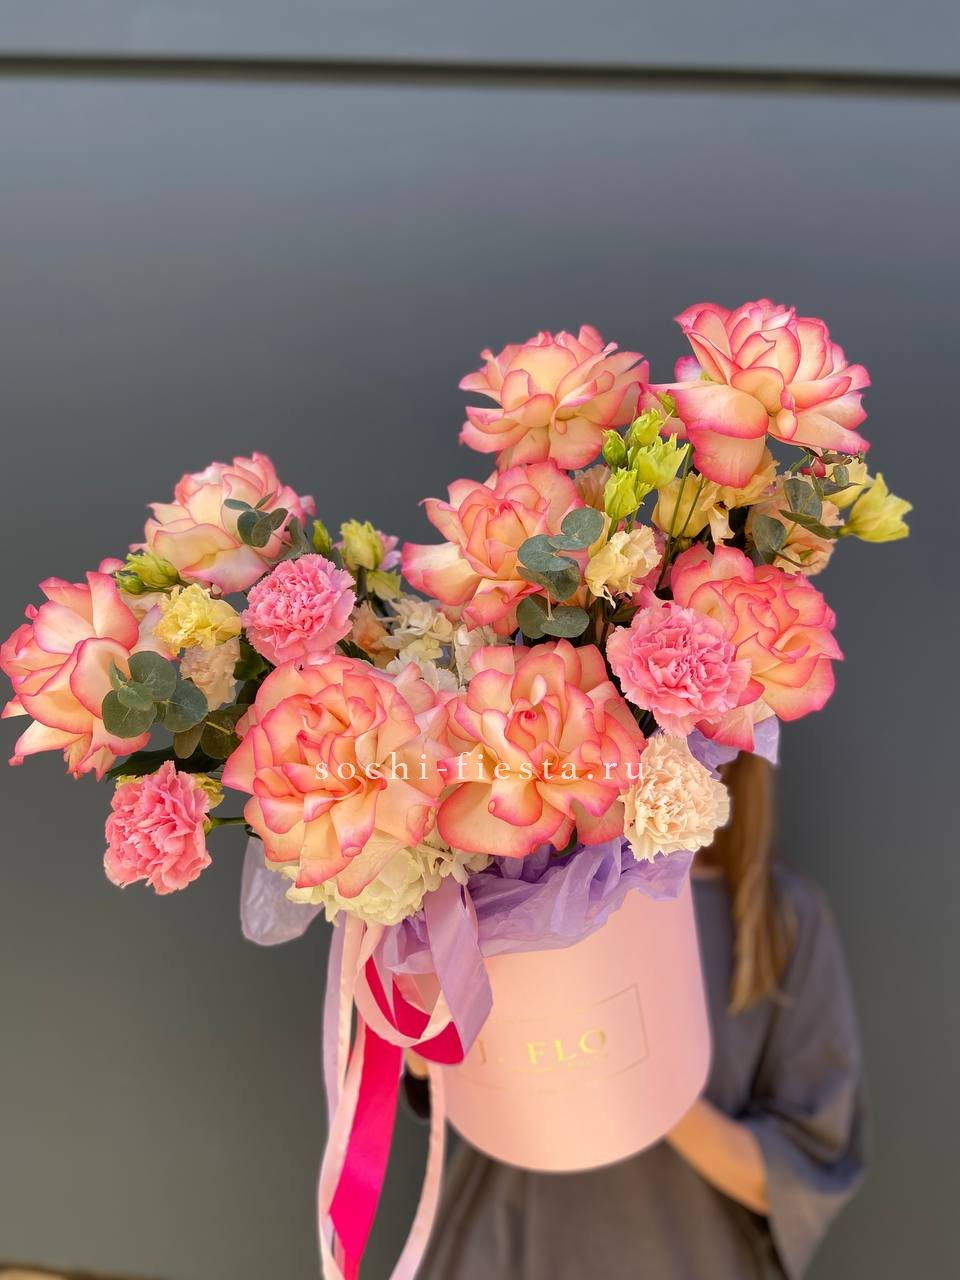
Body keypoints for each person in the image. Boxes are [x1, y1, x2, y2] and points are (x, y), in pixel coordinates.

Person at [407, 751, 866, 1279]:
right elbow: (429, 1071)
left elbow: (796, 1174)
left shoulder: (783, 920)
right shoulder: (512, 879)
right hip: (505, 1248)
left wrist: (633, 1077)